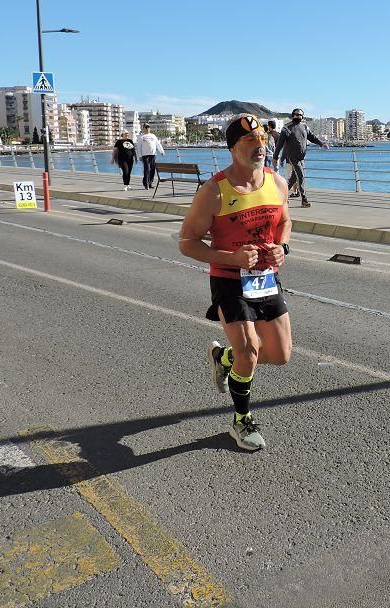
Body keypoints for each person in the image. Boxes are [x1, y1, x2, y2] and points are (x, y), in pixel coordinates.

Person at [178, 114, 292, 451]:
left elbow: (285, 220)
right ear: (232, 149)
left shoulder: (278, 183)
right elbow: (187, 242)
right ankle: (241, 421)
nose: (260, 146)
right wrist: (232, 258)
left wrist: (282, 248)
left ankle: (223, 359)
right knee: (249, 351)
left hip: (266, 280)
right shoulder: (214, 191)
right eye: (249, 141)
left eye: (262, 140)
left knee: (280, 354)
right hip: (229, 279)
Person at [273, 108, 327, 208]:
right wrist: (275, 158)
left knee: (294, 178)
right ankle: (304, 200)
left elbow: (312, 137)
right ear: (293, 115)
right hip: (292, 157)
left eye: (301, 115)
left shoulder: (305, 127)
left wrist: (321, 143)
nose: (299, 116)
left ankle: (280, 196)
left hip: (301, 158)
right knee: (301, 176)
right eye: (297, 114)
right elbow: (280, 144)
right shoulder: (287, 128)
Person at [136, 124, 164, 189]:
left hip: (153, 155)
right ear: (143, 128)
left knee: (152, 170)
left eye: (148, 127)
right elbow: (138, 147)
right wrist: (139, 156)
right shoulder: (141, 137)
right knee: (147, 169)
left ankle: (150, 183)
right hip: (145, 156)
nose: (147, 128)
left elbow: (158, 144)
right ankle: (146, 184)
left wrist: (162, 151)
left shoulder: (153, 136)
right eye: (146, 127)